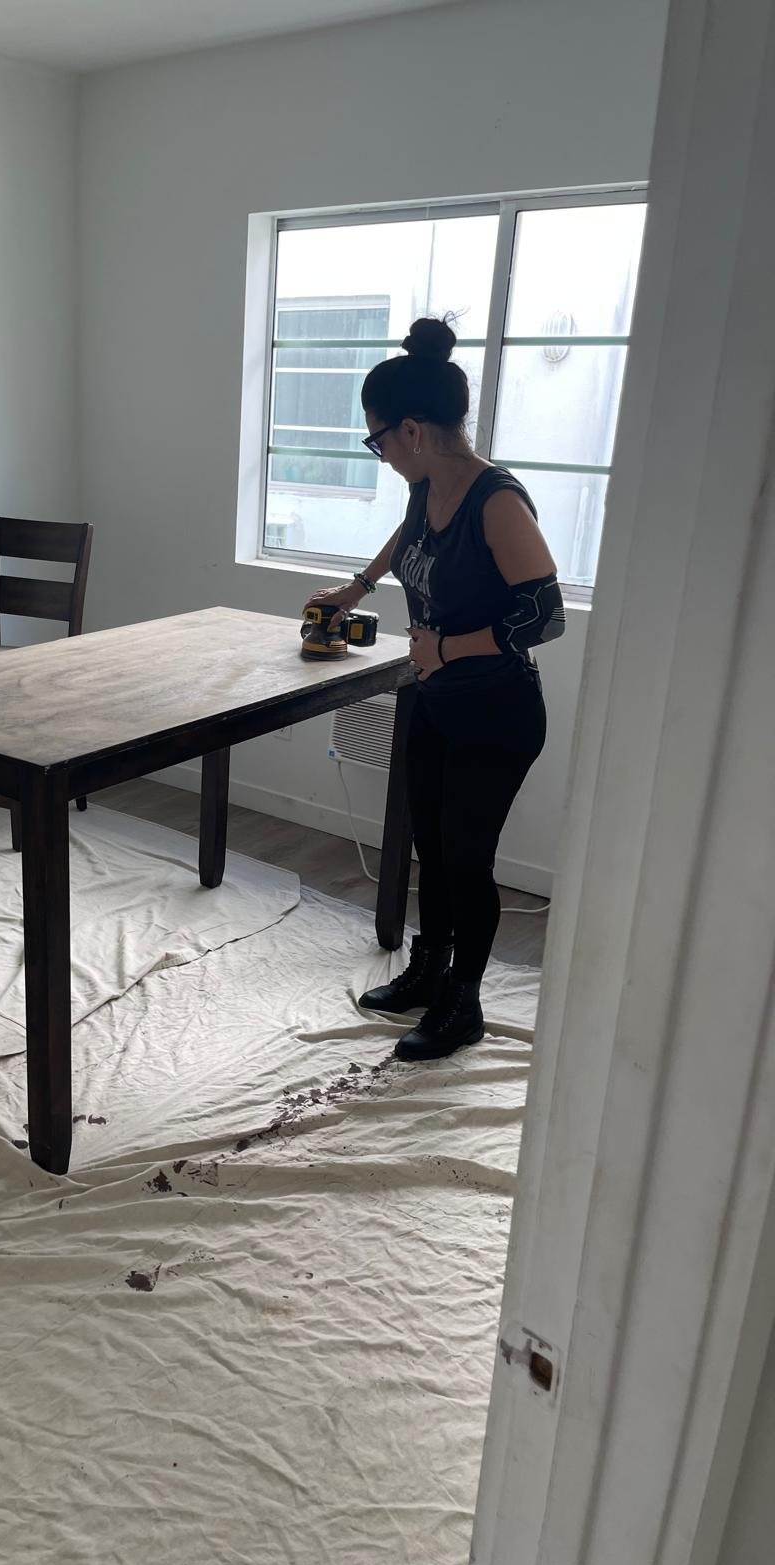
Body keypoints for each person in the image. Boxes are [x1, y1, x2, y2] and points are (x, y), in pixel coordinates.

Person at [308, 316, 564, 1061]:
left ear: (412, 431)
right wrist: (356, 588)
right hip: (437, 699)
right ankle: (429, 969)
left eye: (377, 440)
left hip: (497, 711)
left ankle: (464, 1003)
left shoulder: (496, 501)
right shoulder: (427, 488)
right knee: (430, 845)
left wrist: (448, 646)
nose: (380, 454)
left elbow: (543, 614)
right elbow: (407, 539)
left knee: (466, 860)